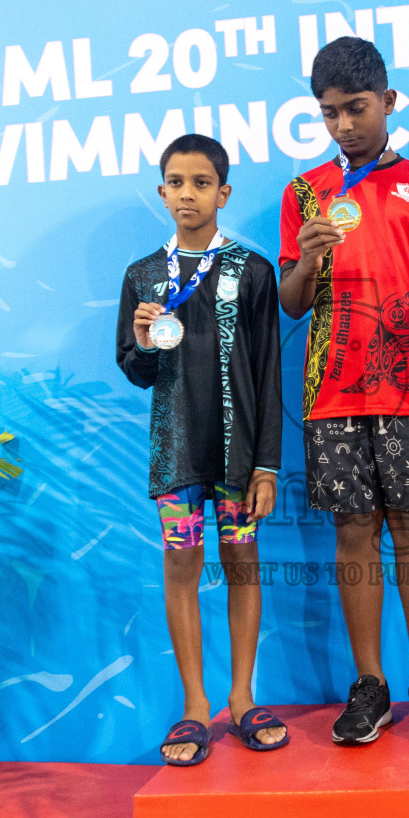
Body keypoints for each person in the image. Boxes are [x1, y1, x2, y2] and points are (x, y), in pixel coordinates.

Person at [278, 36, 409, 745]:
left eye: (357, 109)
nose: (344, 127)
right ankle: (370, 684)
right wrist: (311, 258)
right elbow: (293, 302)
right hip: (333, 393)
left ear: (389, 102)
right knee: (352, 534)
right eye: (329, 114)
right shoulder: (304, 195)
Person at [118, 133, 288, 766]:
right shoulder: (142, 276)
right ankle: (195, 706)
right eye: (175, 182)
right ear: (162, 192)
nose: (187, 193)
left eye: (200, 182)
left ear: (223, 192)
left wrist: (267, 463)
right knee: (182, 568)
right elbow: (134, 370)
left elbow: (269, 371)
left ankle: (242, 697)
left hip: (239, 458)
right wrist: (143, 342)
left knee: (242, 562)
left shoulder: (253, 270)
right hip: (175, 456)